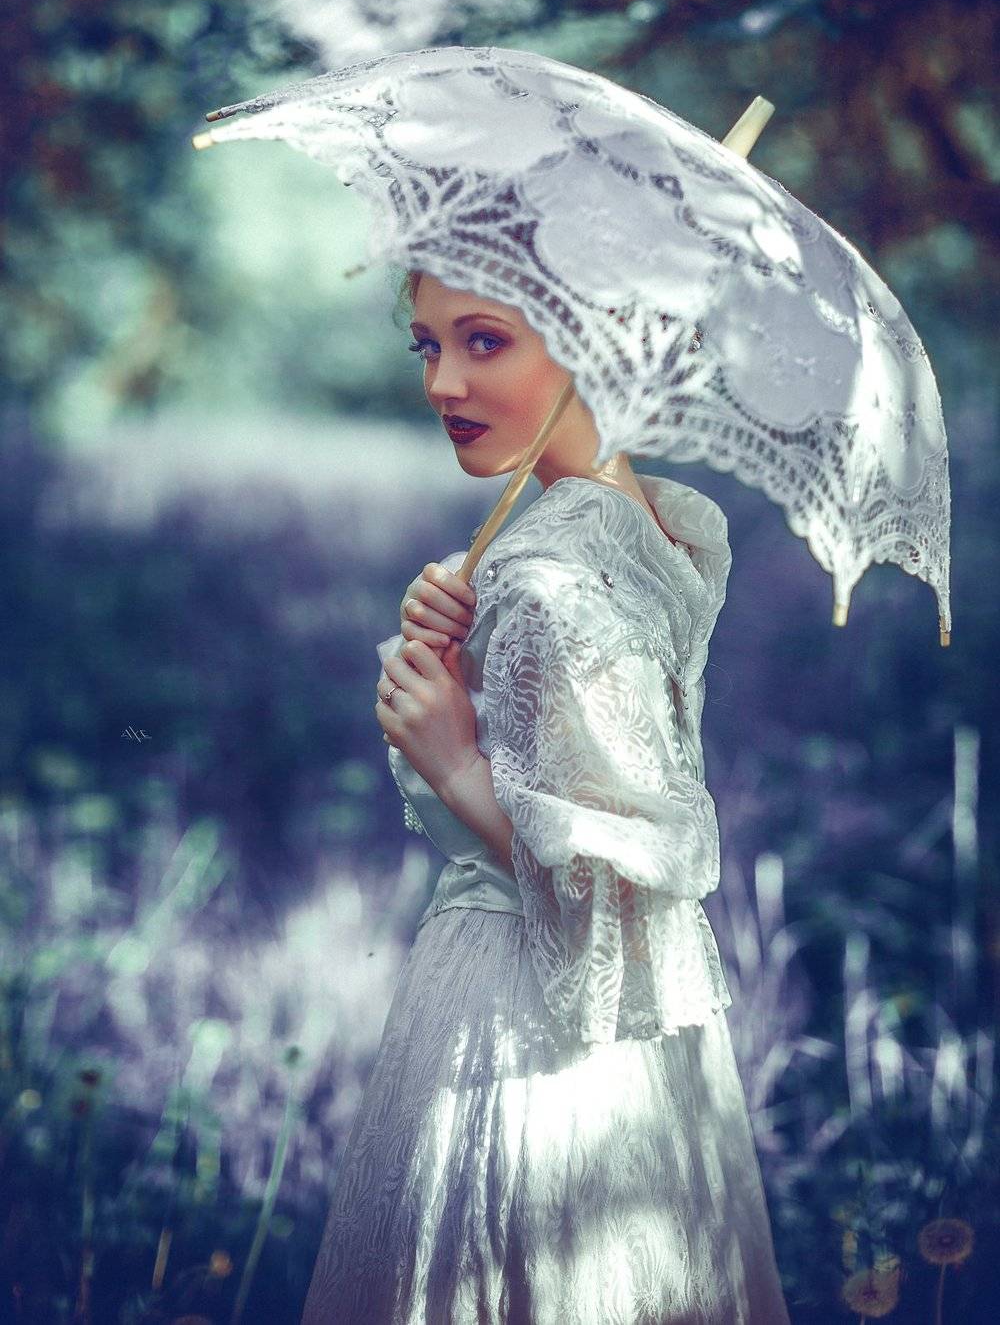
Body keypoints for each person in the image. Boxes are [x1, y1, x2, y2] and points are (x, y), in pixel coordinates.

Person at [300, 270, 791, 1324]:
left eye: (484, 341)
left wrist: (451, 760)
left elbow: (605, 884)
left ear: (597, 344)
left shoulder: (549, 570)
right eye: (427, 345)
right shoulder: (652, 530)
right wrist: (456, 650)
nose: (443, 383)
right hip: (651, 1038)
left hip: (521, 1022)